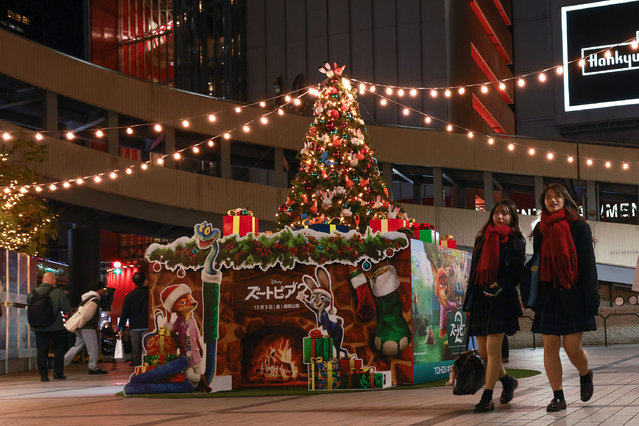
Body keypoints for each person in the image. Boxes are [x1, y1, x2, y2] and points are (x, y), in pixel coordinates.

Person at [530, 183, 599, 412]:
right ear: (543, 203)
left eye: (557, 196)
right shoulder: (540, 229)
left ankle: (585, 373)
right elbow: (538, 263)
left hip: (573, 292)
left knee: (572, 349)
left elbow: (588, 265)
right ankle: (557, 396)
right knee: (549, 345)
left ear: (565, 199)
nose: (553, 200)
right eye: (548, 197)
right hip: (549, 293)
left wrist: (592, 297)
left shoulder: (579, 226)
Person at [463, 200, 525, 412]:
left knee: (492, 349)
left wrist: (501, 282)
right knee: (483, 351)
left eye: (505, 214)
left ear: (512, 218)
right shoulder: (482, 237)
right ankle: (507, 381)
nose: (500, 216)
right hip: (481, 297)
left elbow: (517, 271)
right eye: (497, 213)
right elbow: (473, 272)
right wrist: (469, 301)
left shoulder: (516, 240)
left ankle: (487, 397)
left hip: (501, 298)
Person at [28, 272, 71, 381]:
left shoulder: (32, 293)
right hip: (56, 327)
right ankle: (58, 373)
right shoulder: (58, 293)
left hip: (38, 327)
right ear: (54, 281)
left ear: (42, 280)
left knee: (41, 351)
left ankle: (43, 375)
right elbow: (66, 307)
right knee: (59, 349)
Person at [64, 283, 109, 374]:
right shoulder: (94, 300)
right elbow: (87, 315)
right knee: (93, 348)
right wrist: (81, 325)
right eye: (103, 289)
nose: (104, 291)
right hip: (87, 327)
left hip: (81, 327)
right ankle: (93, 367)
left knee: (77, 346)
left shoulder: (86, 299)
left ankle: (61, 363)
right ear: (99, 289)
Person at [118, 271, 149, 367]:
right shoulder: (150, 293)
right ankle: (147, 369)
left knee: (136, 349)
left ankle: (137, 369)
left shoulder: (130, 296)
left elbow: (124, 313)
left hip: (134, 327)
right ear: (145, 280)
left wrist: (121, 328)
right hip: (147, 325)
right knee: (147, 349)